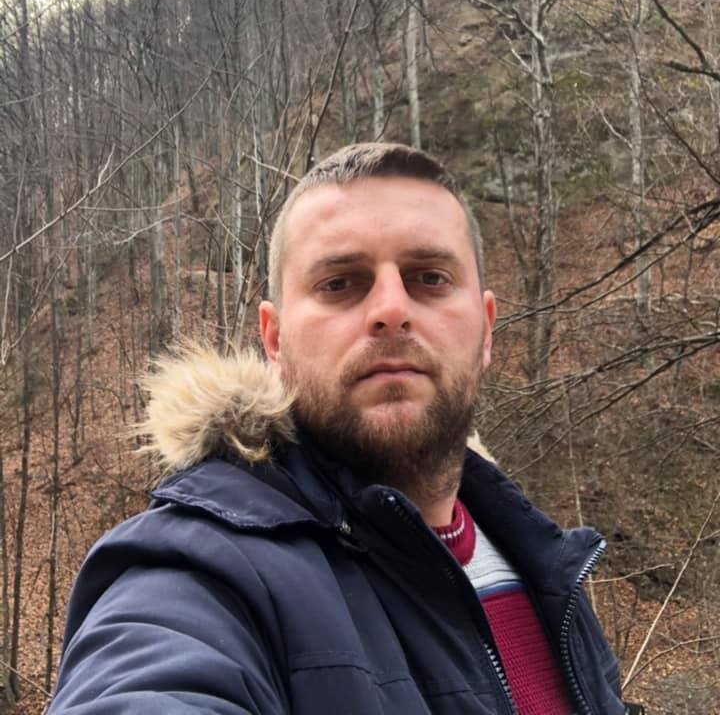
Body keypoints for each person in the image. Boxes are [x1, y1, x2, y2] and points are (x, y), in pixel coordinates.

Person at [49, 142, 643, 715]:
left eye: (430, 278)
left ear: (486, 329)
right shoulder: (199, 573)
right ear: (275, 340)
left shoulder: (542, 564)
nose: (391, 309)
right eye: (340, 283)